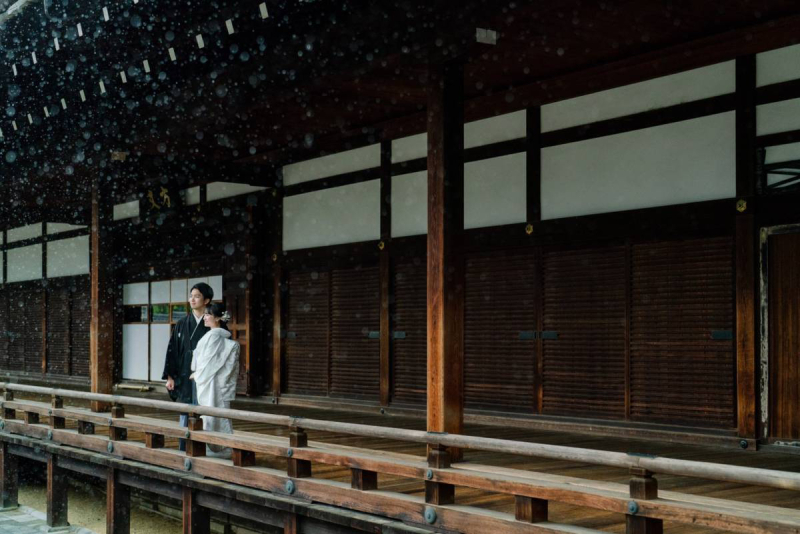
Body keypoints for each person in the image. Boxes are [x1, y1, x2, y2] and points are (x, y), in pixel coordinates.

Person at [162, 282, 213, 450]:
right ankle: (184, 446)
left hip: (205, 373)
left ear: (206, 300)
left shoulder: (213, 322)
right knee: (185, 408)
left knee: (205, 409)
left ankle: (205, 447)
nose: (192, 299)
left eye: (197, 296)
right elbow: (173, 350)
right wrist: (170, 376)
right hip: (184, 373)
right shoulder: (182, 323)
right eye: (191, 296)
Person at [190, 302, 240, 458]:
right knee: (217, 416)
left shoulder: (214, 336)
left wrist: (198, 374)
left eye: (208, 315)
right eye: (205, 314)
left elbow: (209, 363)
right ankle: (222, 449)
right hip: (215, 383)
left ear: (218, 318)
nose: (204, 318)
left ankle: (218, 450)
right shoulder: (216, 335)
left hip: (213, 383)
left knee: (213, 416)